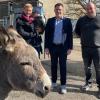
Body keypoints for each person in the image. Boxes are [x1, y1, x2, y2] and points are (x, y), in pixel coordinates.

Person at [45, 3, 73, 94]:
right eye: (57, 9)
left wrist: (70, 47)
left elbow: (70, 36)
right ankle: (53, 83)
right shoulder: (50, 21)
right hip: (53, 47)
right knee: (53, 65)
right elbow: (47, 35)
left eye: (60, 9)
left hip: (63, 48)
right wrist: (46, 47)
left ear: (62, 10)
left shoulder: (67, 21)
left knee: (63, 66)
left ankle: (63, 85)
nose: (58, 11)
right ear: (54, 10)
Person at [75, 2, 100, 98]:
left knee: (99, 69)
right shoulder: (81, 20)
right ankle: (88, 83)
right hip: (85, 48)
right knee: (87, 67)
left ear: (95, 8)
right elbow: (77, 32)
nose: (89, 10)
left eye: (91, 8)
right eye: (87, 9)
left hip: (98, 49)